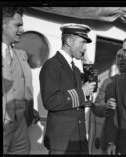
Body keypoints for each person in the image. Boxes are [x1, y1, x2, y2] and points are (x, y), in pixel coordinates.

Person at [39, 23, 96, 154]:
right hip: (62, 142)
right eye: (82, 43)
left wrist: (86, 61)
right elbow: (50, 101)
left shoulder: (74, 68)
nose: (85, 48)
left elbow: (93, 86)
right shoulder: (52, 65)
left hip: (79, 139)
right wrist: (81, 92)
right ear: (69, 41)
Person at [2, 7, 39, 154]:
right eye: (18, 25)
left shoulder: (21, 55)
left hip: (20, 124)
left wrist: (28, 108)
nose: (22, 30)